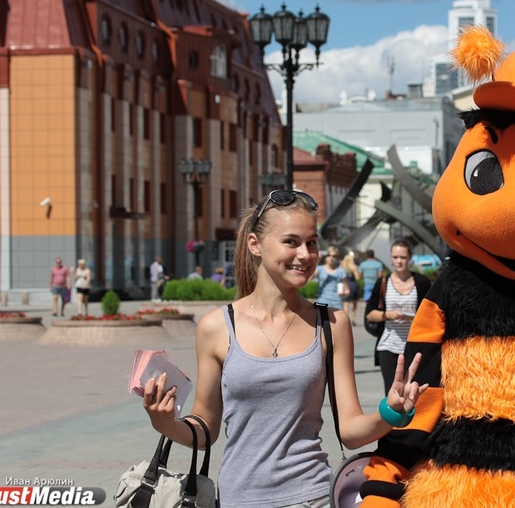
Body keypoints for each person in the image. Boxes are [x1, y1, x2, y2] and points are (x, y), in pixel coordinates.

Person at [142, 189, 427, 508]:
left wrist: (390, 412)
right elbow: (205, 426)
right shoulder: (217, 327)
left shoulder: (332, 323)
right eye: (291, 242)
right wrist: (167, 424)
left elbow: (350, 430)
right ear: (255, 244)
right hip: (239, 499)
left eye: (312, 243)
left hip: (313, 496)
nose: (305, 254)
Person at [365, 239, 432, 394]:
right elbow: (370, 314)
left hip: (413, 345)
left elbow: (430, 313)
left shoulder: (421, 282)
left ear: (410, 258)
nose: (399, 261)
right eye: (395, 257)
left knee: (413, 392)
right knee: (392, 393)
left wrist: (413, 318)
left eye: (403, 257)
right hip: (388, 345)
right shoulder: (383, 282)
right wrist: (387, 315)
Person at [313, 245, 348, 309]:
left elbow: (347, 290)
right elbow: (309, 278)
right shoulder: (320, 269)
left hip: (337, 304)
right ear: (325, 257)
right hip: (322, 303)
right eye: (329, 255)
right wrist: (317, 260)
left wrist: (343, 294)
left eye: (334, 256)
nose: (331, 258)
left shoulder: (340, 271)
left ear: (337, 258)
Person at [340, 252, 361, 324]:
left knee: (346, 304)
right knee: (354, 303)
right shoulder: (354, 267)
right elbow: (357, 278)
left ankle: (346, 319)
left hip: (344, 285)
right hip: (352, 285)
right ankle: (353, 318)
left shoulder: (341, 267)